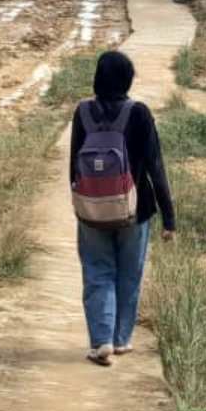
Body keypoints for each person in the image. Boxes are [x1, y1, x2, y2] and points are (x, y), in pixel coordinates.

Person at [69, 50, 176, 366]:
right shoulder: (139, 113)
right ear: (128, 79)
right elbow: (156, 167)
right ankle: (121, 339)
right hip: (135, 209)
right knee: (129, 274)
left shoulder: (83, 112)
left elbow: (75, 163)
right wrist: (169, 218)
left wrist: (80, 202)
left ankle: (100, 340)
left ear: (97, 79)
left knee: (97, 271)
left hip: (91, 209)